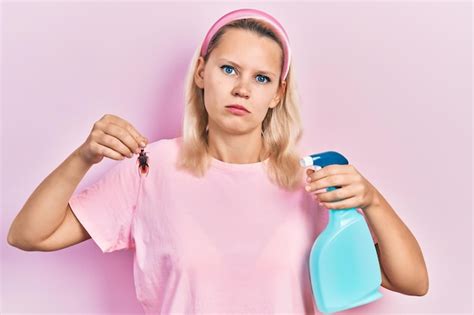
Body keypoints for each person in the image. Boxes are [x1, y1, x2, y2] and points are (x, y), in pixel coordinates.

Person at [7, 8, 428, 314]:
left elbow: (412, 281)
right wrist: (84, 156)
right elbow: (30, 235)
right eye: (229, 69)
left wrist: (370, 199)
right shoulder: (151, 168)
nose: (243, 88)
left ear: (275, 95)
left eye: (261, 78)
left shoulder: (312, 180)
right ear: (201, 72)